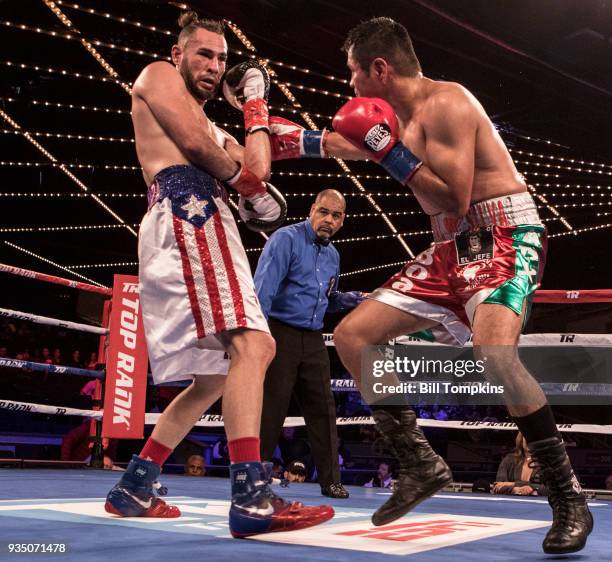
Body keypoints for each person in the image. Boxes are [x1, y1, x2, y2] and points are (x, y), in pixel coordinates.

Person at [267, 16, 591, 555]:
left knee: (493, 353)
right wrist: (291, 142)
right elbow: (352, 141)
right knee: (352, 336)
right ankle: (419, 462)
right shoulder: (392, 116)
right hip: (448, 248)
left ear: (379, 69)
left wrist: (388, 150)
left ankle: (567, 497)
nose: (349, 86)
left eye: (353, 74)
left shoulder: (448, 103)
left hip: (501, 232)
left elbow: (454, 199)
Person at [104, 11, 333, 538]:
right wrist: (248, 188)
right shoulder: (156, 75)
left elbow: (257, 164)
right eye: (205, 54)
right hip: (189, 213)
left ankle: (135, 486)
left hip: (206, 220)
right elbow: (196, 148)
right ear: (180, 54)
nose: (214, 65)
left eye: (224, 59)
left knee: (212, 379)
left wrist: (255, 99)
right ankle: (252, 499)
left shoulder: (219, 125)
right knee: (256, 347)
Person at [254, 189, 364, 499]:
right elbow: (262, 292)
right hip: (279, 332)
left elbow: (324, 301)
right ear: (312, 209)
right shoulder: (285, 240)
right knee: (272, 409)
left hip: (313, 337)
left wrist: (347, 300)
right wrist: (257, 338)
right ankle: (256, 479)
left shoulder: (333, 256)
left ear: (342, 221)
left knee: (324, 411)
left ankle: (330, 481)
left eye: (336, 215)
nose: (328, 219)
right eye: (324, 212)